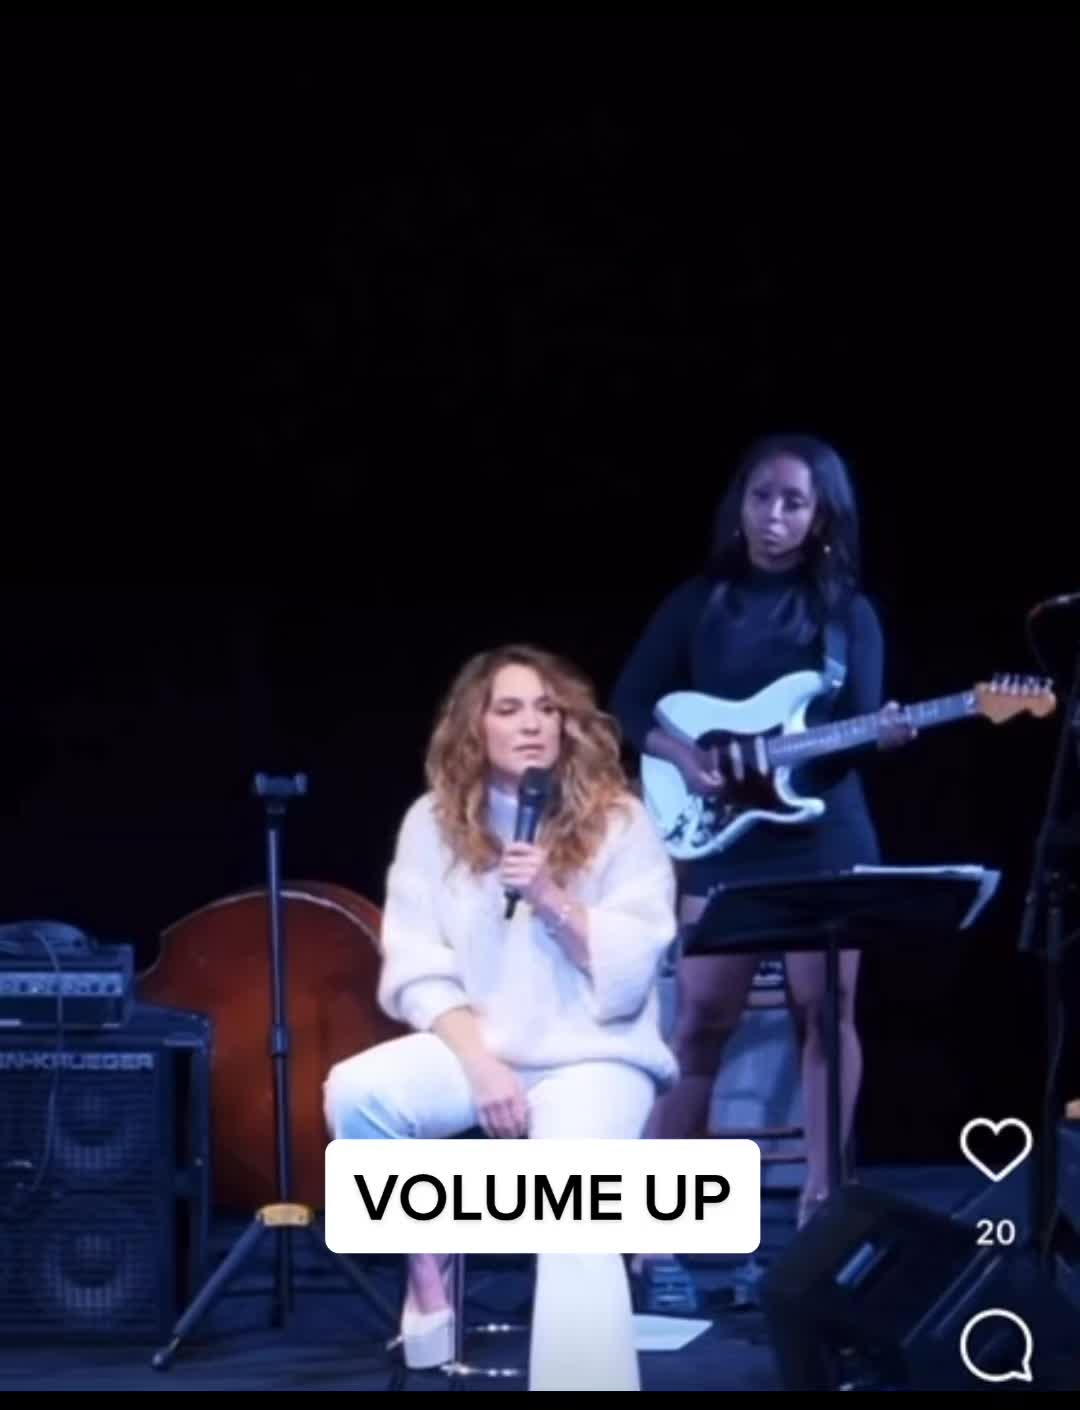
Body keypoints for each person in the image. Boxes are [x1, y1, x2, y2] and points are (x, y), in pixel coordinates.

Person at [609, 432, 914, 1314]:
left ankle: (818, 1215)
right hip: (722, 838)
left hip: (823, 837)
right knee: (700, 1023)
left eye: (793, 502)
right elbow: (630, 702)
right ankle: (656, 1233)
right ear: (738, 504)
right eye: (760, 497)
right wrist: (686, 756)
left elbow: (849, 738)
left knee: (829, 1015)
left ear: (822, 518)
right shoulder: (697, 603)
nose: (773, 516)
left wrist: (881, 736)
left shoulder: (849, 616)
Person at [323, 643, 679, 1391]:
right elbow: (418, 967)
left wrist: (551, 898)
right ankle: (429, 1262)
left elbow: (634, 966)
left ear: (569, 725)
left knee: (572, 1205)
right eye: (509, 709)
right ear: (474, 727)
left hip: (597, 1055)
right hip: (482, 1046)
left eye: (547, 709)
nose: (531, 724)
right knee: (358, 1092)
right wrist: (481, 1065)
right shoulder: (432, 824)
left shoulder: (621, 822)